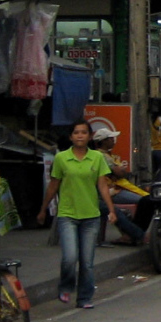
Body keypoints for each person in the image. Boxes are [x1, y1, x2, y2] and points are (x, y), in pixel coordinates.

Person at [37, 121, 117, 309]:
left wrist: (111, 210)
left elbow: (103, 185)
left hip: (91, 216)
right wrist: (43, 209)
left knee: (87, 262)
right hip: (67, 215)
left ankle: (84, 297)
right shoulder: (62, 159)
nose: (80, 136)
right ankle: (65, 287)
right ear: (71, 137)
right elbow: (53, 186)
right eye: (76, 132)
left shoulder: (97, 158)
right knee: (70, 257)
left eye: (83, 132)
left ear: (90, 136)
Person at [91, 127, 147, 246]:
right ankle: (138, 235)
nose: (113, 140)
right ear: (103, 141)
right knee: (144, 201)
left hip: (113, 190)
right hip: (110, 192)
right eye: (111, 138)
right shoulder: (101, 156)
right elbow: (120, 173)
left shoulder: (108, 155)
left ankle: (132, 234)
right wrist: (120, 171)